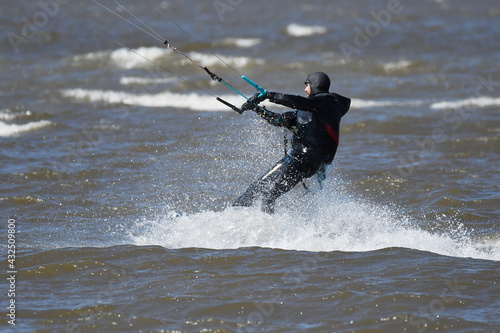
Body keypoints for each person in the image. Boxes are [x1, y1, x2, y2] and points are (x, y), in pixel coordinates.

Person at [233, 72, 351, 214]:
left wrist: (270, 96)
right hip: (294, 158)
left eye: (307, 85)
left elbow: (298, 101)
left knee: (269, 194)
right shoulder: (307, 109)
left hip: (307, 160)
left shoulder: (329, 103)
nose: (305, 89)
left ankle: (269, 229)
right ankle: (232, 213)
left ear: (315, 85)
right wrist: (256, 109)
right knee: (257, 188)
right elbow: (279, 120)